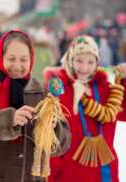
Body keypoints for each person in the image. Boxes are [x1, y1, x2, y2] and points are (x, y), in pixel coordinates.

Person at [0, 30, 71, 182]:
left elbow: (63, 145)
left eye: (24, 59)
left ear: (31, 60)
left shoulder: (44, 95)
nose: (17, 65)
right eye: (11, 58)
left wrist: (53, 129)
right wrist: (7, 121)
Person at [43, 35, 126, 182]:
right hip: (70, 173)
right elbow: (50, 137)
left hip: (103, 172)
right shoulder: (58, 92)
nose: (84, 68)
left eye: (90, 62)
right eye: (79, 60)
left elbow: (122, 114)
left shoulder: (105, 89)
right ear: (69, 59)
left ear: (98, 63)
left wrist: (124, 82)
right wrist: (48, 175)